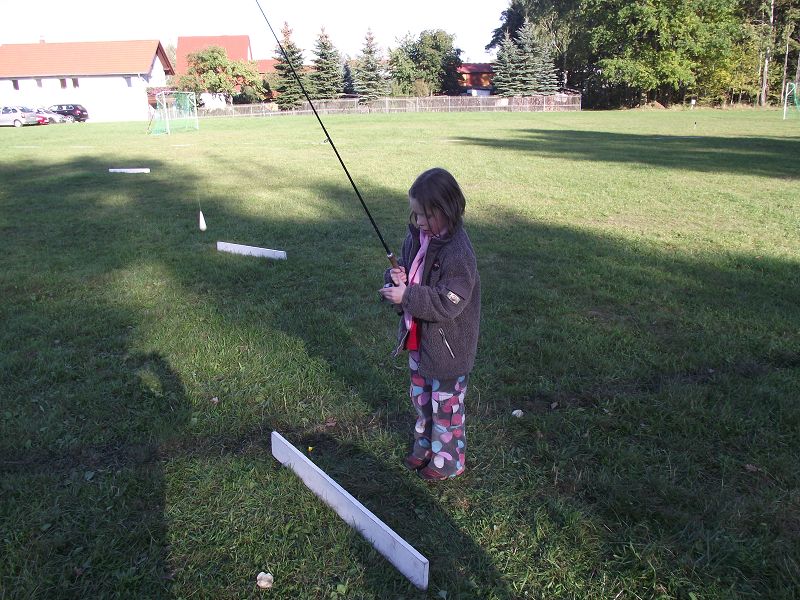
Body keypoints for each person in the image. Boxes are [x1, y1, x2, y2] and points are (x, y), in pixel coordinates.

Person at [378, 167, 481, 481]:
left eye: (426, 215)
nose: (419, 221)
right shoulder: (417, 238)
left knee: (445, 407)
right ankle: (425, 446)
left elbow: (449, 302)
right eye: (416, 214)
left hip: (449, 350)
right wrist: (396, 277)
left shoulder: (458, 253)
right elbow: (409, 272)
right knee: (421, 398)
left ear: (447, 210)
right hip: (419, 339)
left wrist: (407, 295)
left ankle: (449, 460)